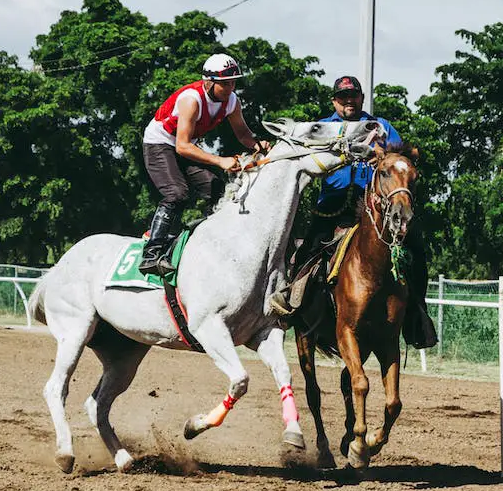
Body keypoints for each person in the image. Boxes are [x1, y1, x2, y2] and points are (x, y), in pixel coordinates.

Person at [287, 75, 437, 349]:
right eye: (342, 97)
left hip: (376, 210)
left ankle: (418, 316)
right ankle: (292, 308)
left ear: (361, 98)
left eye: (353, 96)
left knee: (416, 251)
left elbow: (400, 156)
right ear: (335, 101)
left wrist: (381, 152)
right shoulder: (324, 127)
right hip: (332, 207)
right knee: (306, 252)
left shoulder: (381, 127)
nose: (348, 102)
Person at [138, 53, 271, 275]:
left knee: (218, 191)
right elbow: (182, 146)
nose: (229, 88)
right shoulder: (192, 100)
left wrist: (258, 145)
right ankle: (151, 254)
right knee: (177, 193)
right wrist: (220, 160)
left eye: (233, 82)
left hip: (184, 146)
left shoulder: (232, 101)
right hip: (160, 144)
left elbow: (242, 134)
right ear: (208, 82)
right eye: (224, 84)